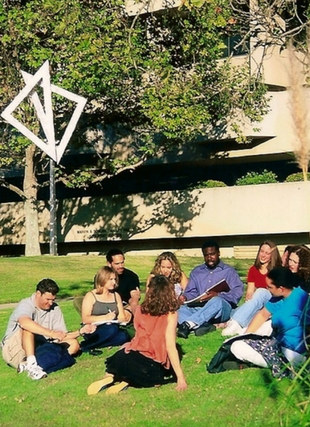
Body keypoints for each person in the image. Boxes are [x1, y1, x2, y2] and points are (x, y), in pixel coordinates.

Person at [87, 275, 187, 395]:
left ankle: (109, 376)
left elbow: (138, 336)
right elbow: (170, 346)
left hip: (129, 356)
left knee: (120, 354)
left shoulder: (140, 309)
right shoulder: (170, 314)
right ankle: (127, 381)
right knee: (149, 374)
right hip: (150, 364)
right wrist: (180, 377)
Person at [1, 278, 95, 380]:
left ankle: (30, 365)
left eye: (53, 300)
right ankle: (33, 364)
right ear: (38, 294)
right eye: (47, 299)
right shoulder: (26, 305)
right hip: (15, 349)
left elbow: (60, 335)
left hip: (40, 345)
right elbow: (25, 323)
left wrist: (81, 331)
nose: (50, 303)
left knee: (74, 344)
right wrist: (51, 333)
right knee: (29, 328)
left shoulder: (54, 308)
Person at [230, 267, 309, 378]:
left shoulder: (302, 298)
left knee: (237, 347)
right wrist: (246, 336)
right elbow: (262, 315)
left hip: (294, 352)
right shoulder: (278, 298)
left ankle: (285, 367)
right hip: (278, 344)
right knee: (237, 343)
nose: (267, 289)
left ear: (281, 288)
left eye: (270, 287)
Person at [177, 240, 244, 338]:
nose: (209, 258)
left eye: (212, 254)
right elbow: (191, 292)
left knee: (216, 300)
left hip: (221, 309)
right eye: (206, 255)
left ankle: (188, 324)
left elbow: (237, 294)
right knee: (178, 309)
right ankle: (205, 326)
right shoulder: (197, 272)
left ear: (218, 253)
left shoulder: (229, 271)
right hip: (200, 307)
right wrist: (185, 297)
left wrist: (218, 295)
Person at [222, 240, 282, 337]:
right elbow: (250, 291)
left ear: (272, 255)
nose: (263, 255)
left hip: (272, 300)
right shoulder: (253, 269)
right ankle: (239, 324)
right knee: (243, 308)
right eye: (261, 251)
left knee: (261, 292)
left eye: (267, 253)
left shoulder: (277, 270)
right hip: (258, 301)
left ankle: (236, 323)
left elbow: (278, 292)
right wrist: (249, 297)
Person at [80, 266, 130, 353]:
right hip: (93, 328)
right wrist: (105, 317)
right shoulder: (91, 296)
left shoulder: (116, 295)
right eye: (110, 279)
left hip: (112, 325)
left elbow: (122, 317)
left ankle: (101, 343)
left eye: (115, 279)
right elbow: (85, 318)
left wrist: (119, 319)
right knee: (111, 329)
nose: (114, 282)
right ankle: (86, 345)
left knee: (124, 336)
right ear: (103, 279)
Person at [106, 248, 141, 322]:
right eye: (117, 264)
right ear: (109, 264)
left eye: (122, 263)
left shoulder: (131, 276)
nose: (121, 266)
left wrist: (129, 309)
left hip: (126, 306)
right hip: (107, 305)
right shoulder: (102, 277)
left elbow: (134, 296)